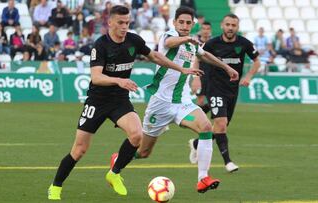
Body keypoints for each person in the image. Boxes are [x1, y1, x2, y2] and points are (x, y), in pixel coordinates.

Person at [47, 5, 200, 200]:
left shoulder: (133, 40)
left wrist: (181, 69)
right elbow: (96, 77)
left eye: (127, 23)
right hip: (97, 101)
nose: (124, 26)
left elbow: (155, 56)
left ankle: (114, 173)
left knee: (137, 136)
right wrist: (119, 80)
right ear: (109, 22)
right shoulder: (101, 45)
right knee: (79, 150)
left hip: (119, 100)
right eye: (120, 22)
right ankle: (56, 186)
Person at [110, 6, 238, 193]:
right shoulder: (168, 37)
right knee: (143, 152)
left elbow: (205, 55)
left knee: (206, 127)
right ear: (174, 23)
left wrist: (226, 67)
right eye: (182, 22)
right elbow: (170, 43)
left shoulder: (192, 44)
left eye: (188, 23)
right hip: (160, 104)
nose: (185, 26)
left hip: (182, 102)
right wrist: (186, 38)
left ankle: (203, 178)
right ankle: (120, 158)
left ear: (193, 24)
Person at [189, 13, 260, 173]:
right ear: (222, 25)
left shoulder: (244, 43)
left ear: (237, 27)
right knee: (221, 124)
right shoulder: (213, 43)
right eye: (227, 25)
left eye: (233, 25)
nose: (230, 28)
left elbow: (257, 61)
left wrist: (248, 76)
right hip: (215, 88)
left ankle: (196, 144)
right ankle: (228, 162)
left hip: (232, 91)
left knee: (221, 126)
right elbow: (198, 56)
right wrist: (196, 78)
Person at [191, 21, 212, 114]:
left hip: (212, 72)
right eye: (204, 28)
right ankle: (198, 119)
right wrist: (196, 77)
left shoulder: (213, 42)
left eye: (208, 29)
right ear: (200, 30)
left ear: (210, 30)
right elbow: (195, 59)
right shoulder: (195, 42)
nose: (206, 31)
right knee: (200, 99)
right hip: (201, 71)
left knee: (215, 100)